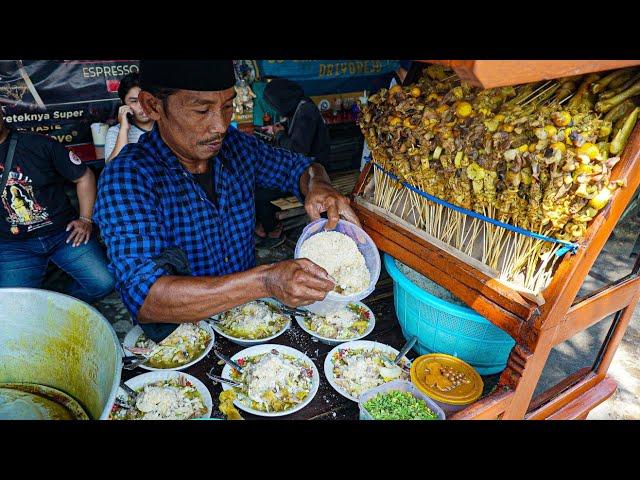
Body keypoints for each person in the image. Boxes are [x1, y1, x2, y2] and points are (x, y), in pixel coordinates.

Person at [93, 60, 360, 342]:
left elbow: (299, 168)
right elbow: (146, 298)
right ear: (153, 106)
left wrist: (318, 183)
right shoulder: (127, 177)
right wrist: (265, 281)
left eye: (227, 106)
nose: (220, 125)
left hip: (252, 321)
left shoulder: (236, 147)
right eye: (202, 110)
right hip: (185, 340)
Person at [0, 108, 115, 303]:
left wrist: (86, 219)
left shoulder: (37, 144)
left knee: (106, 282)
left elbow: (84, 176)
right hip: (14, 247)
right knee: (13, 305)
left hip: (64, 235)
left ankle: (62, 306)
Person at [255, 78, 331, 248]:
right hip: (301, 168)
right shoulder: (298, 107)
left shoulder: (306, 111)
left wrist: (280, 135)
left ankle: (273, 229)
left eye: (275, 104)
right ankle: (264, 225)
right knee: (260, 182)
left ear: (283, 99)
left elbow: (298, 151)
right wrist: (278, 128)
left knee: (260, 193)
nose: (275, 109)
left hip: (313, 172)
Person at [104, 72, 154, 162]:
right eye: (134, 101)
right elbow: (114, 169)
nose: (142, 106)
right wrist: (124, 129)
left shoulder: (164, 126)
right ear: (124, 104)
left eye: (146, 100)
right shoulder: (115, 132)